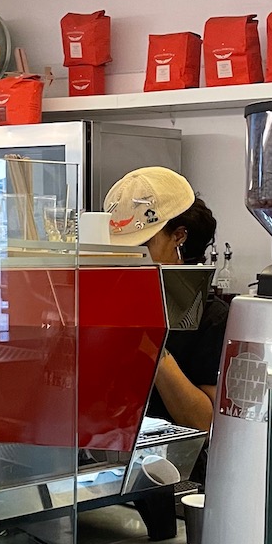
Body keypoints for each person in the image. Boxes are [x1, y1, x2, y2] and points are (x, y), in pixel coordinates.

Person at [104, 167, 228, 436]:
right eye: (119, 248)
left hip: (178, 469)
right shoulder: (113, 299)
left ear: (179, 237)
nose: (129, 259)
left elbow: (205, 422)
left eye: (142, 246)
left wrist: (152, 345)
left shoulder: (212, 317)